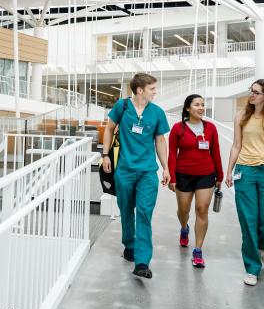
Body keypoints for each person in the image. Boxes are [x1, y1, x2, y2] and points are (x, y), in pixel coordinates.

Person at [102, 73, 170, 279]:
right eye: (152, 89)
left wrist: (166, 168)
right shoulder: (122, 107)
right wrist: (105, 155)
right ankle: (129, 244)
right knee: (126, 210)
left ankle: (142, 261)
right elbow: (109, 129)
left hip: (148, 172)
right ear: (140, 90)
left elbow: (160, 141)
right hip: (124, 171)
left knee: (144, 213)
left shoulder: (157, 112)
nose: (155, 92)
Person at [168, 94, 223, 267]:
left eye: (203, 105)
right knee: (183, 211)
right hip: (183, 174)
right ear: (187, 108)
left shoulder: (211, 128)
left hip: (206, 174)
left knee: (202, 209)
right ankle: (184, 228)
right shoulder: (178, 128)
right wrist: (172, 176)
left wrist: (219, 175)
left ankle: (198, 250)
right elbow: (171, 154)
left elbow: (215, 152)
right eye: (197, 105)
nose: (201, 108)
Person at [226, 79, 264, 286]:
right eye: (251, 91)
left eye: (257, 93)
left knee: (263, 220)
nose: (252, 95)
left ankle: (260, 247)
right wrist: (229, 171)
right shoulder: (241, 115)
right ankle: (252, 268)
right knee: (248, 220)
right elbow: (236, 145)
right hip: (245, 171)